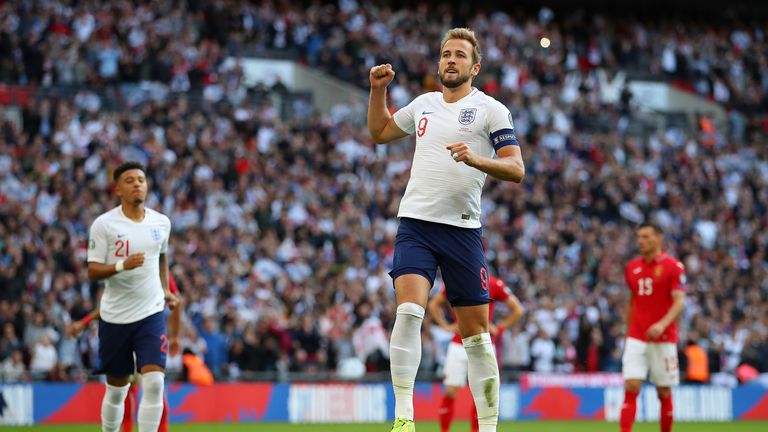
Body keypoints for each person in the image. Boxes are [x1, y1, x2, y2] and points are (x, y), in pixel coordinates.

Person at [367, 27, 525, 432]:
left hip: (462, 232)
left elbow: (516, 168)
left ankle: (488, 427)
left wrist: (476, 159)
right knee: (408, 311)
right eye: (445, 54)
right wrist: (377, 91)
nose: (450, 60)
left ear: (474, 67)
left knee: (477, 337)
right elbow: (380, 133)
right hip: (416, 224)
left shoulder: (492, 110)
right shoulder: (424, 104)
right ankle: (404, 418)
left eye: (459, 55)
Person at [87, 161, 178, 432]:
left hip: (151, 314)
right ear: (117, 189)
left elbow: (161, 257)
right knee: (117, 389)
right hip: (115, 316)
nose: (137, 183)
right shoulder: (104, 225)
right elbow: (93, 271)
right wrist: (121, 265)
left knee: (154, 383)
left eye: (141, 179)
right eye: (129, 180)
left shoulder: (161, 222)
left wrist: (165, 289)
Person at [70, 274, 183, 432]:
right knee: (136, 389)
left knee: (150, 388)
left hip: (146, 334)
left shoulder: (155, 265)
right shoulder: (130, 266)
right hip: (130, 333)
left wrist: (175, 336)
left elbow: (176, 301)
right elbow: (109, 304)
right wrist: (84, 323)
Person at [428, 276, 524, 432]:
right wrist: (446, 326)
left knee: (481, 395)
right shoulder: (457, 279)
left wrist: (499, 328)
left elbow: (517, 309)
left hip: (484, 342)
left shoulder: (493, 283)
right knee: (451, 390)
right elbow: (434, 304)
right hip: (459, 343)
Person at [620, 222, 686, 432]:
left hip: (664, 338)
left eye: (646, 237)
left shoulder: (674, 267)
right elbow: (632, 301)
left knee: (664, 391)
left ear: (659, 238)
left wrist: (662, 324)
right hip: (637, 336)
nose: (641, 241)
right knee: (631, 387)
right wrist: (627, 332)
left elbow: (680, 302)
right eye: (639, 237)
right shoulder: (632, 267)